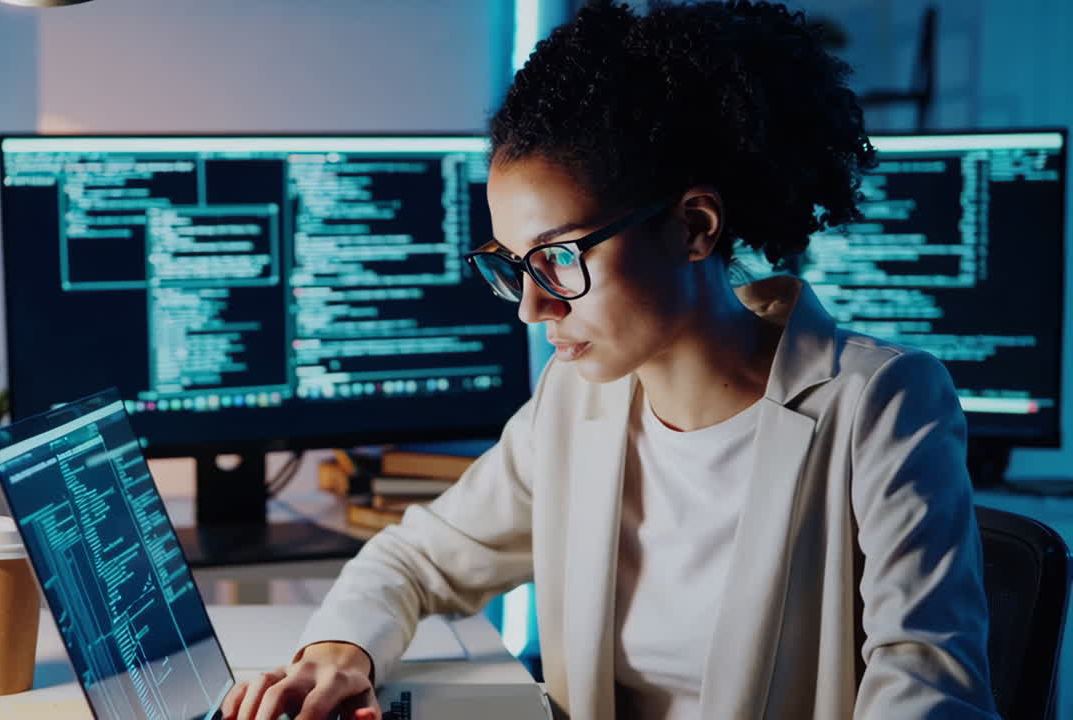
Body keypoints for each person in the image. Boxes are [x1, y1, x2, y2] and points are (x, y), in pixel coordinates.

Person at [220, 2, 997, 718]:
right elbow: (415, 558)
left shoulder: (881, 404)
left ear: (695, 227)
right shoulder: (578, 401)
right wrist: (338, 652)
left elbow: (926, 685)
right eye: (513, 264)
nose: (532, 306)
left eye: (559, 257)